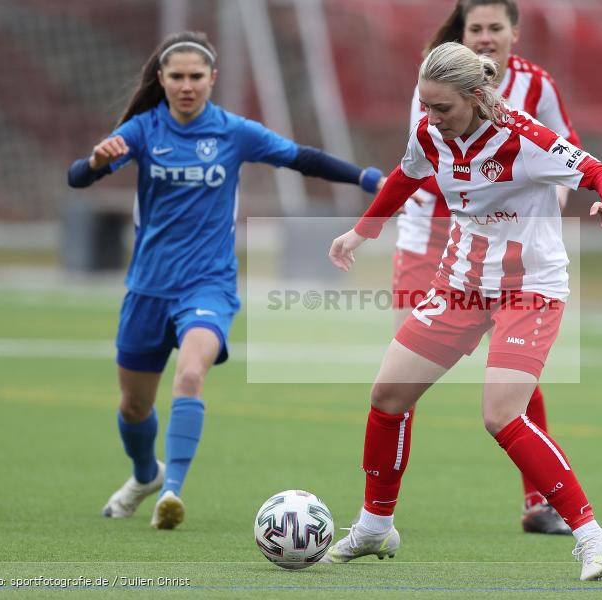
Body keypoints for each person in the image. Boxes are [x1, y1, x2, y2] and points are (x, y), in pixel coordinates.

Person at [325, 43, 602, 581]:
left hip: (529, 288)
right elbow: (404, 177)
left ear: (475, 96)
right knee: (388, 395)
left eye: (442, 107)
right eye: (425, 104)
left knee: (500, 415)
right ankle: (375, 525)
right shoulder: (429, 132)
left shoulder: (523, 137)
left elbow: (601, 172)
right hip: (461, 282)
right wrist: (360, 232)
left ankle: (590, 534)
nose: (431, 117)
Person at [67, 31, 384, 530]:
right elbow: (77, 178)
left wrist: (369, 179)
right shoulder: (143, 131)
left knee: (191, 375)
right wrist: (95, 164)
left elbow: (300, 157)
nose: (187, 85)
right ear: (162, 80)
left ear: (212, 79)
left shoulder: (234, 132)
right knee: (133, 406)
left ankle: (171, 491)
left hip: (208, 286)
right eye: (177, 77)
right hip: (146, 290)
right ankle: (146, 474)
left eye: (197, 76)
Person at [393, 0, 582, 535]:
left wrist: (551, 199)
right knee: (402, 376)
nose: (484, 36)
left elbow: (567, 153)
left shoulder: (537, 85)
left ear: (513, 34)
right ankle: (380, 511)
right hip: (430, 236)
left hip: (504, 245)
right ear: (463, 32)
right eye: (475, 27)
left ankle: (540, 501)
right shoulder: (436, 82)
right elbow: (424, 162)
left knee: (512, 369)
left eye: (494, 27)